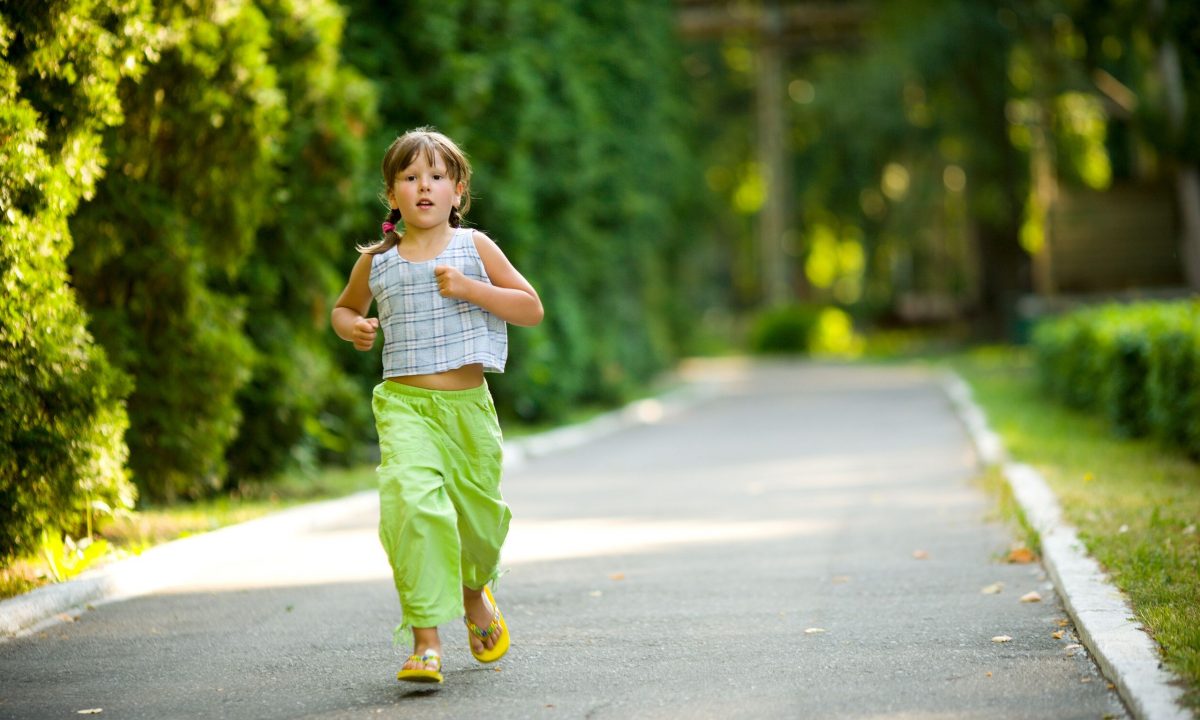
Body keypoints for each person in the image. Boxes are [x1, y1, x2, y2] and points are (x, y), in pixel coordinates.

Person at [332, 127, 544, 685]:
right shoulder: (377, 261)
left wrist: (474, 290)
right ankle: (425, 640)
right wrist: (354, 326)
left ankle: (476, 593)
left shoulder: (475, 249)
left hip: (467, 409)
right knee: (411, 507)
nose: (423, 186)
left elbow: (529, 308)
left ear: (457, 191)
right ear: (392, 193)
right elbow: (343, 308)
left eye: (436, 176)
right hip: (404, 407)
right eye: (409, 177)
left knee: (478, 524)